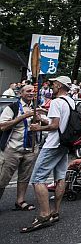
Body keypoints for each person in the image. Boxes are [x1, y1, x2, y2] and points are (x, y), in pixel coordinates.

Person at [21, 76, 75, 233]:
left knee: (38, 179)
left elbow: (54, 126)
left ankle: (44, 215)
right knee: (60, 177)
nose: (52, 86)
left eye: (53, 84)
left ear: (59, 85)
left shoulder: (57, 102)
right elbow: (61, 124)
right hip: (65, 144)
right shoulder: (70, 101)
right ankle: (55, 212)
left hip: (53, 145)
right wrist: (43, 118)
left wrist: (38, 128)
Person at [0, 84, 43, 212]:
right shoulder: (12, 107)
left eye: (33, 91)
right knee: (2, 179)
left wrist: (40, 119)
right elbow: (2, 126)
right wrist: (23, 116)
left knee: (24, 177)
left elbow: (44, 124)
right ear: (21, 93)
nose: (31, 93)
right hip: (12, 149)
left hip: (30, 149)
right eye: (28, 91)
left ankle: (20, 201)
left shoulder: (36, 108)